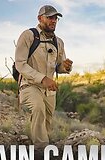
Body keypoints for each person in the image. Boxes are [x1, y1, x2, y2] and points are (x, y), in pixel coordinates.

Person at [15, 5, 73, 148]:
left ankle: (37, 150)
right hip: (30, 85)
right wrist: (42, 79)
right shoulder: (28, 35)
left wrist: (65, 67)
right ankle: (42, 151)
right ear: (40, 18)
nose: (53, 21)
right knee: (38, 109)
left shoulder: (59, 42)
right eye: (50, 17)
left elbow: (58, 66)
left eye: (55, 18)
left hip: (49, 90)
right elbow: (20, 64)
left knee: (46, 122)